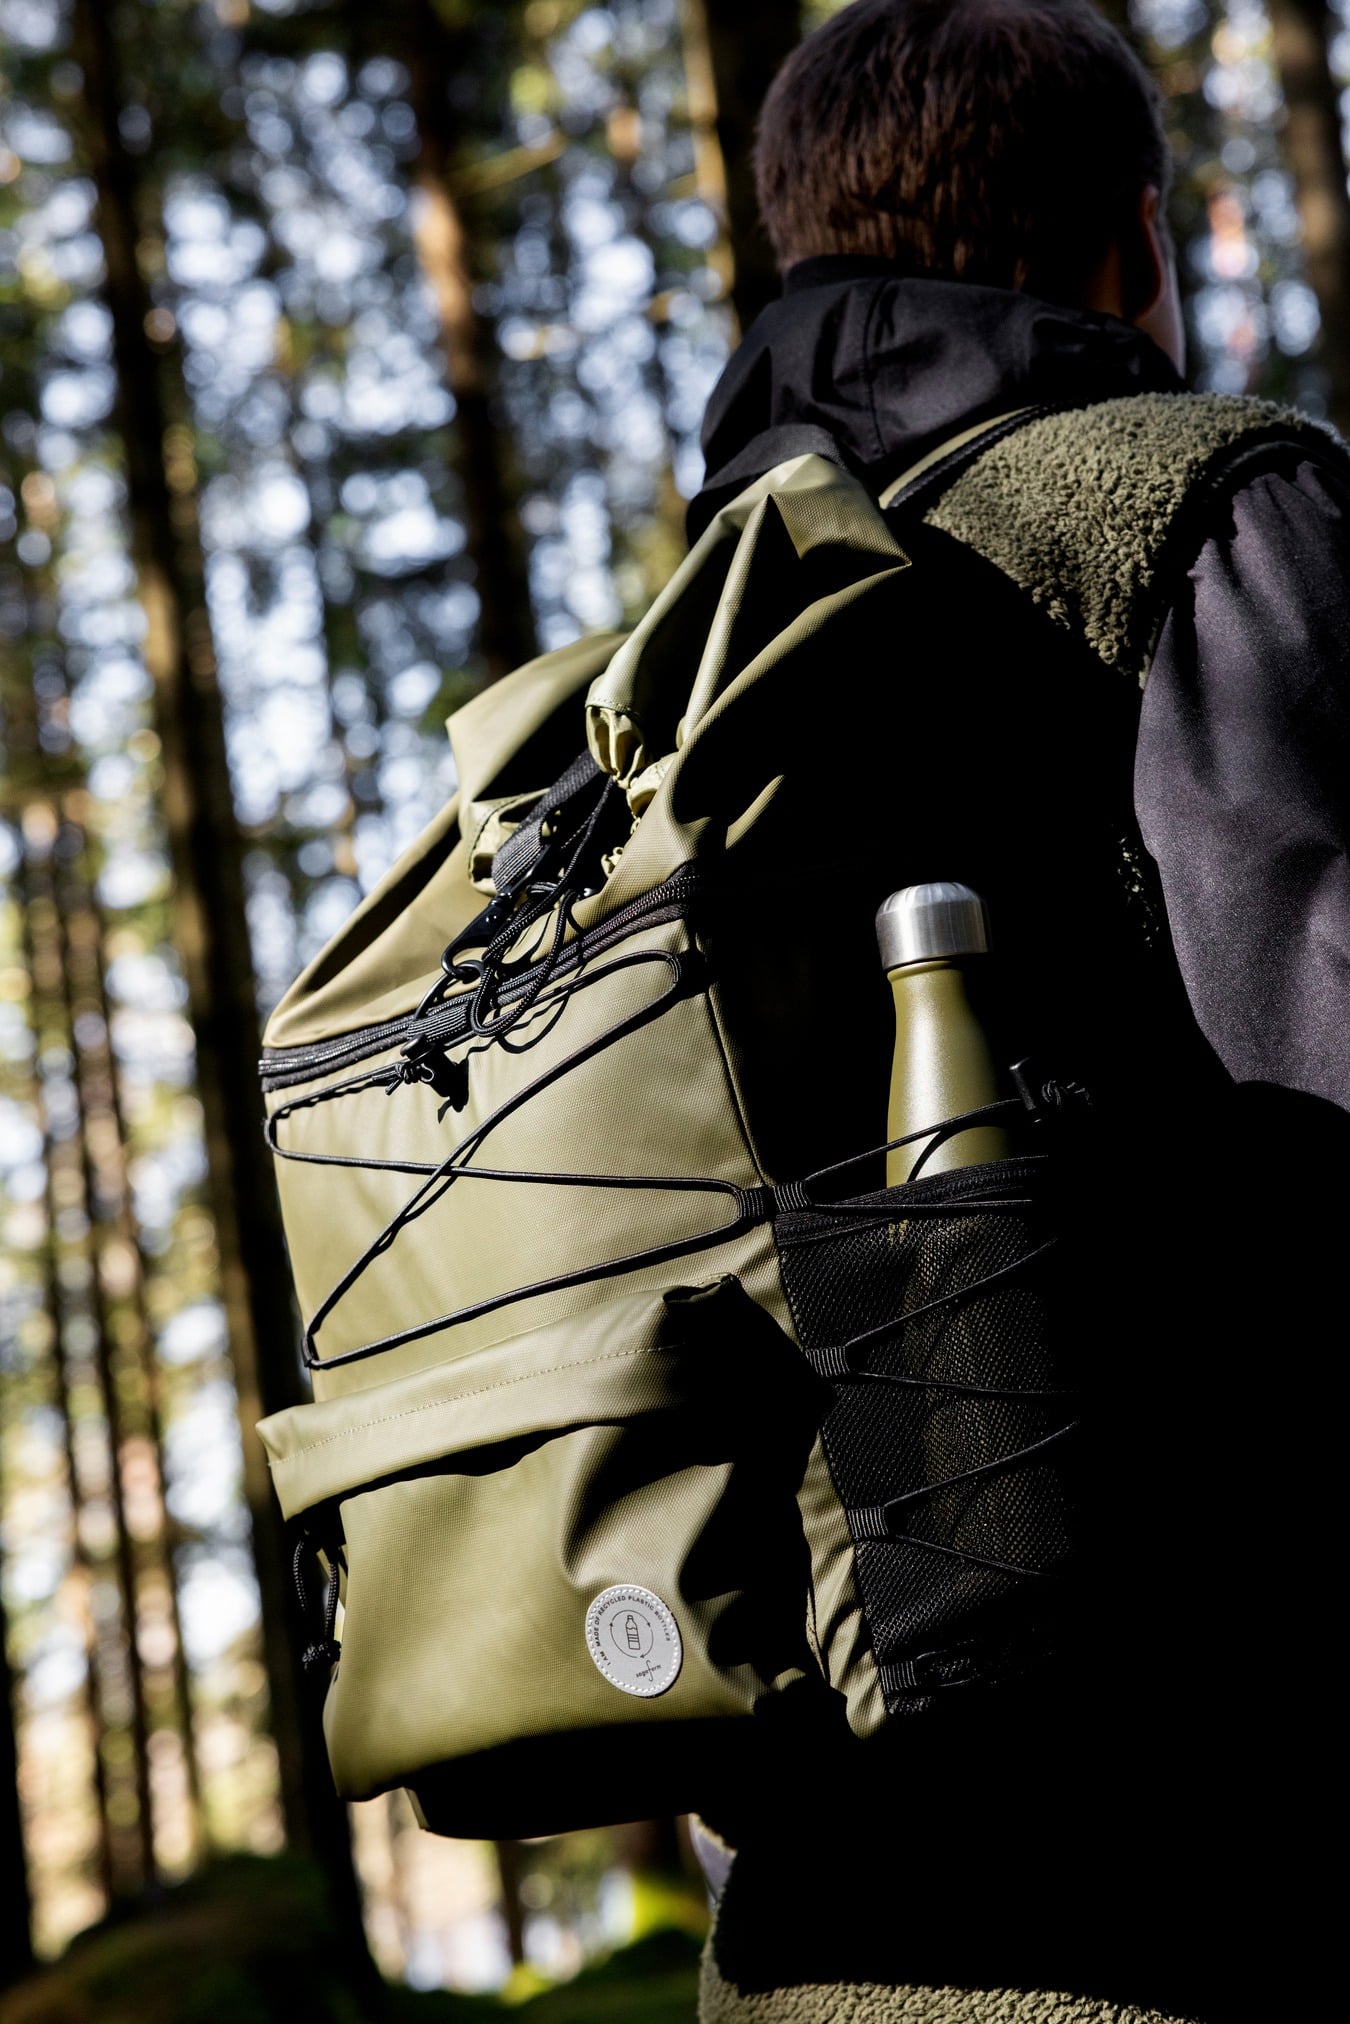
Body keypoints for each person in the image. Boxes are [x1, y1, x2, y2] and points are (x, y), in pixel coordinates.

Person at [688, 4, 1347, 2021]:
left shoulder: (688, 671)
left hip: (820, 1927)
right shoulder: (1190, 503)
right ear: (1136, 240)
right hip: (1215, 1877)